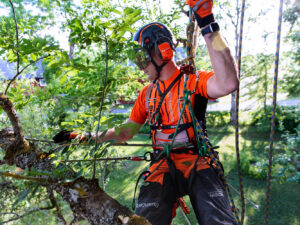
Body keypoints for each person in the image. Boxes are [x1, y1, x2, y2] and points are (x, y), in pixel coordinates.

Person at [53, 0, 239, 224]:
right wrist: (86, 137)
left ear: (164, 50)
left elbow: (228, 82)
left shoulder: (194, 81)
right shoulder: (147, 94)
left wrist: (207, 22)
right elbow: (125, 131)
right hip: (162, 165)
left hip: (198, 162)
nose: (139, 65)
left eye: (142, 57)